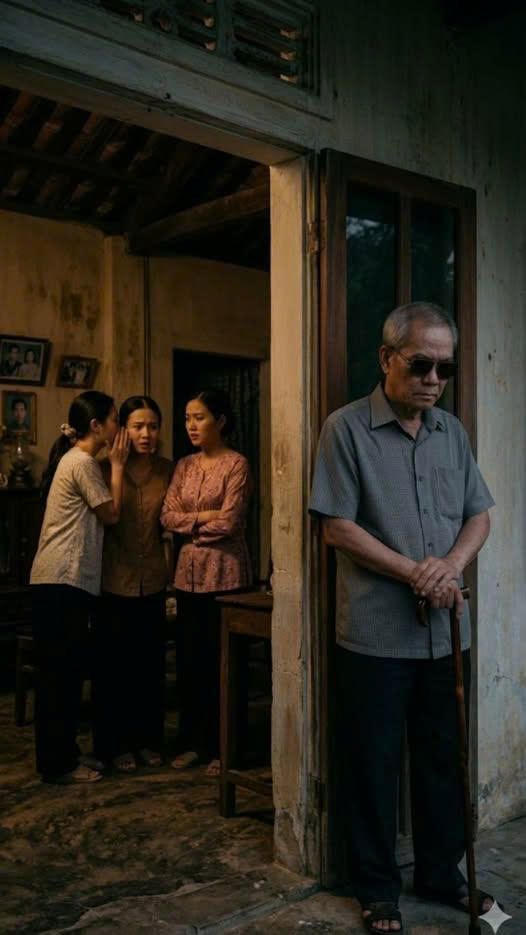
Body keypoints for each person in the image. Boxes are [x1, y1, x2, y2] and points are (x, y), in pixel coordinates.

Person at [309, 302, 497, 934]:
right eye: (421, 364)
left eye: (445, 368)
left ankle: (442, 873)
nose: (433, 380)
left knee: (444, 759)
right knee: (373, 762)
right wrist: (416, 571)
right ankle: (376, 887)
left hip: (447, 630)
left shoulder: (451, 432)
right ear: (386, 358)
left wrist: (450, 565)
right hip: (375, 634)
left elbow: (478, 515)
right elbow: (337, 528)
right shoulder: (344, 429)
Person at [30, 391, 130, 784]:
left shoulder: (75, 459)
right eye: (115, 419)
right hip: (62, 579)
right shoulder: (82, 462)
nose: (119, 427)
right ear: (96, 426)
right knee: (59, 678)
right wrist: (118, 467)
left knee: (64, 673)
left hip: (60, 581)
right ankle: (58, 765)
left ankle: (65, 755)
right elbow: (112, 514)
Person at [161, 389, 251, 777]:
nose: (191, 426)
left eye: (199, 417)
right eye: (187, 418)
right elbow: (166, 516)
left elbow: (230, 522)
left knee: (222, 663)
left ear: (221, 421)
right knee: (190, 661)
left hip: (225, 575)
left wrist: (190, 525)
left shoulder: (237, 464)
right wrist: (203, 518)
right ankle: (192, 742)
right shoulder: (183, 465)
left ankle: (223, 746)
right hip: (186, 577)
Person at [91, 396, 173, 773]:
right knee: (114, 670)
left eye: (152, 426)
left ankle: (148, 740)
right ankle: (115, 745)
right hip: (113, 579)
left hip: (153, 579)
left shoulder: (168, 470)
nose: (146, 434)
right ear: (123, 429)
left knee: (149, 668)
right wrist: (117, 466)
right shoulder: (102, 468)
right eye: (138, 426)